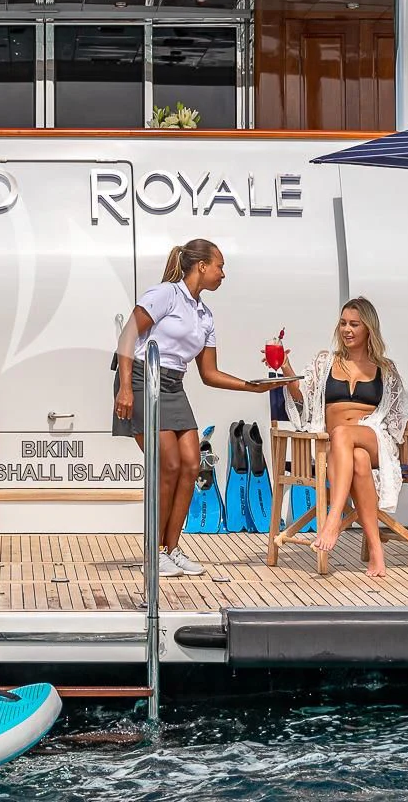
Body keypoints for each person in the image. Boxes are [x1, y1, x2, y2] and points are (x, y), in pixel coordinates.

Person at [114, 239, 286, 577]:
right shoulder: (165, 294)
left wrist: (251, 386)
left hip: (173, 385)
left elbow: (209, 374)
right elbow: (128, 335)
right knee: (169, 465)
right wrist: (124, 388)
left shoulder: (205, 316)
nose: (223, 273)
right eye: (220, 266)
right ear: (201, 266)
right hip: (141, 378)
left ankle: (171, 549)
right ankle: (153, 553)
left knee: (192, 466)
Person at [283, 296, 408, 577]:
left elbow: (396, 413)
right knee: (358, 459)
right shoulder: (325, 362)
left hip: (373, 436)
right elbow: (302, 399)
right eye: (343, 323)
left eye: (354, 324)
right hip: (336, 448)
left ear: (368, 329)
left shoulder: (385, 369)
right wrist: (285, 367)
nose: (347, 329)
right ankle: (377, 552)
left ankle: (334, 518)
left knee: (345, 435)